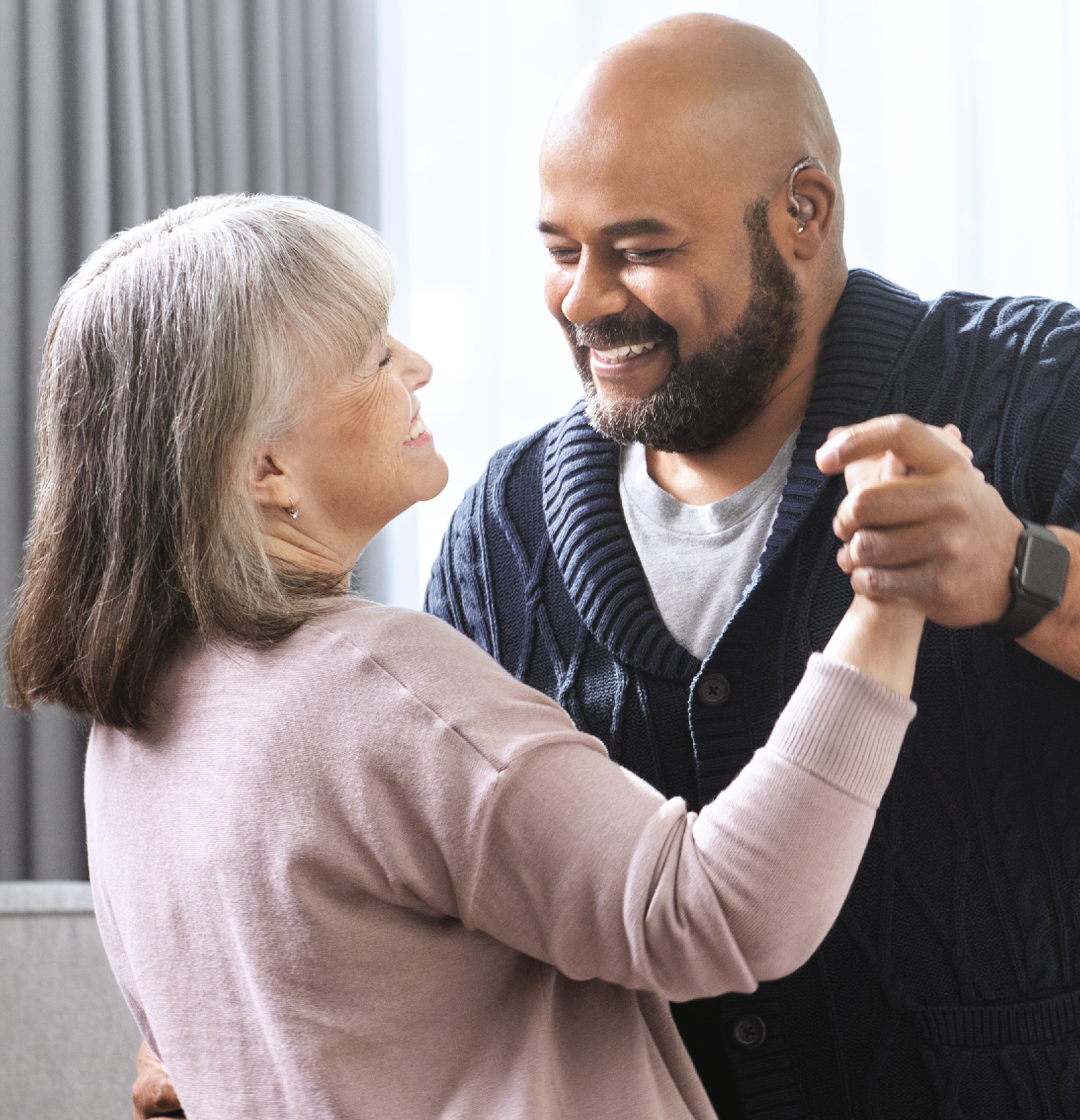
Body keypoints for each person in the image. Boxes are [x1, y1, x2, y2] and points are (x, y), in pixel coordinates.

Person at [6, 194, 926, 1119]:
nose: (418, 365)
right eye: (372, 355)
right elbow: (718, 913)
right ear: (266, 470)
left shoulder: (132, 737)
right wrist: (891, 596)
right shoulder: (369, 683)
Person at [423, 14, 1080, 1120]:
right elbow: (425, 854)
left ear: (803, 213)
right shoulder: (504, 524)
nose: (584, 300)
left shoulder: (1035, 385)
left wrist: (1025, 573)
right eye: (559, 250)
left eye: (640, 248)